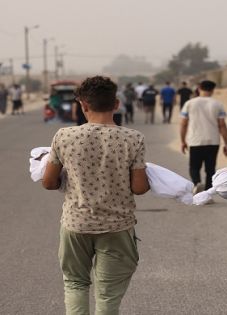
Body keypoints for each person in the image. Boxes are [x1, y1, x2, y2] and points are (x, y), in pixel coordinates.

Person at [42, 76, 150, 314]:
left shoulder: (64, 137)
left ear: (83, 105)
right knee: (108, 296)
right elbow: (139, 188)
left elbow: (49, 182)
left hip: (76, 224)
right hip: (117, 226)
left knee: (75, 284)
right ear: (117, 104)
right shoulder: (134, 139)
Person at [180, 80, 227, 192]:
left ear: (199, 88)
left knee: (194, 167)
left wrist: (183, 141)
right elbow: (222, 125)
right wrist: (226, 144)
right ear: (212, 90)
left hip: (195, 140)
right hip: (213, 140)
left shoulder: (189, 103)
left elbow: (183, 124)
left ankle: (197, 184)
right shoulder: (217, 104)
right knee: (210, 169)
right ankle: (207, 192)